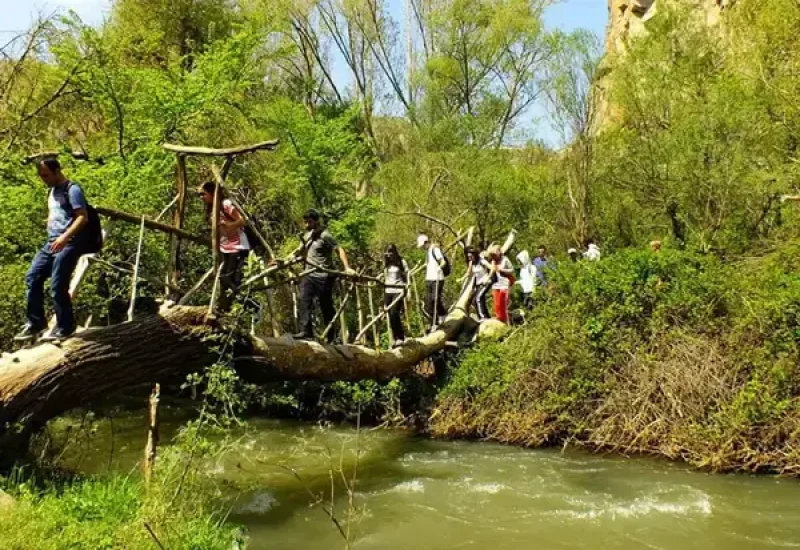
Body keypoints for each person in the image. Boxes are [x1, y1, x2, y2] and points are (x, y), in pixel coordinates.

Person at [15, 159, 91, 342]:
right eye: (41, 176)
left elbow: (83, 217)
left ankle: (66, 326)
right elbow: (57, 213)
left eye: (46, 175)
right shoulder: (51, 191)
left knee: (57, 285)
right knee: (32, 276)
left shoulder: (72, 190)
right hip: (51, 242)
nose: (43, 179)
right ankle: (36, 322)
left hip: (69, 242)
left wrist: (64, 237)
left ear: (57, 170)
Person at [292, 209, 354, 342]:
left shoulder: (325, 235)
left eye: (309, 222)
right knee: (303, 299)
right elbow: (298, 251)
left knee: (325, 305)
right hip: (309, 274)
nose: (307, 225)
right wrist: (282, 261)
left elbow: (339, 249)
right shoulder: (307, 235)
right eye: (305, 222)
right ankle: (306, 331)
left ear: (316, 221)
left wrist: (347, 267)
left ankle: (332, 335)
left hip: (324, 276)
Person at [197, 181, 251, 313]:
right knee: (224, 279)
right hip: (225, 248)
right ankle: (234, 307)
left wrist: (229, 225)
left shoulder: (225, 204)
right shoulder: (211, 210)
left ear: (212, 193)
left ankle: (247, 304)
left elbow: (243, 220)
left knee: (230, 278)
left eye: (203, 194)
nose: (201, 197)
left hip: (238, 246)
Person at [418, 234, 447, 331]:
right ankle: (433, 323)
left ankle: (442, 315)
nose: (422, 248)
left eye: (423, 246)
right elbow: (427, 264)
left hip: (437, 278)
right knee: (429, 302)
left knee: (435, 299)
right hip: (429, 279)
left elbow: (443, 262)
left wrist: (439, 268)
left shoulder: (435, 249)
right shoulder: (427, 252)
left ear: (426, 243)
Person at [383, 244, 409, 347]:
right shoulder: (387, 263)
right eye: (387, 252)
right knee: (390, 314)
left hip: (399, 290)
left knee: (394, 312)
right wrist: (384, 299)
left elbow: (407, 274)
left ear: (395, 252)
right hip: (388, 290)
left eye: (391, 252)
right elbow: (386, 278)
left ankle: (400, 337)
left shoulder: (401, 262)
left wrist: (408, 289)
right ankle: (395, 338)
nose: (389, 254)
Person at [488, 245, 515, 324]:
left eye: (495, 254)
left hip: (505, 283)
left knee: (503, 304)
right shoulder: (493, 261)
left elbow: (512, 270)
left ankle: (507, 323)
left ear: (499, 252)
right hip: (496, 284)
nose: (494, 256)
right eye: (492, 255)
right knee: (497, 304)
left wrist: (502, 270)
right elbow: (491, 271)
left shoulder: (505, 259)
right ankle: (499, 319)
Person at [467, 246, 491, 321]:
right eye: (468, 257)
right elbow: (469, 273)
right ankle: (487, 316)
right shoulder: (472, 263)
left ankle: (482, 317)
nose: (469, 258)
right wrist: (462, 279)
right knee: (476, 300)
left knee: (478, 298)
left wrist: (488, 277)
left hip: (485, 282)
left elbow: (492, 268)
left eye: (471, 256)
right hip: (478, 284)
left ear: (474, 255)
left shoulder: (482, 261)